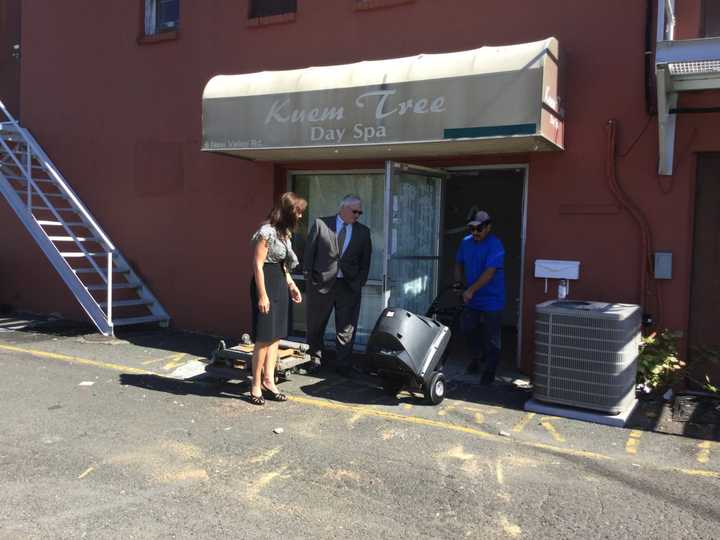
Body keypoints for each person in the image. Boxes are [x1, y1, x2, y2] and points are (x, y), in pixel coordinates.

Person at [303, 194, 372, 377]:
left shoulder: (363, 232)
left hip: (348, 286)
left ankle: (343, 365)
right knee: (316, 325)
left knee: (346, 329)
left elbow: (365, 262)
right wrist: (310, 281)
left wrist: (359, 283)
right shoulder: (321, 224)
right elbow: (309, 255)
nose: (357, 215)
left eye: (360, 212)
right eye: (355, 211)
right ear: (343, 208)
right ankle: (314, 360)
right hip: (322, 285)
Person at [249, 192, 307, 405]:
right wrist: (262, 295)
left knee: (275, 337)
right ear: (288, 210)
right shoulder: (266, 232)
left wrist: (292, 285)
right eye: (298, 212)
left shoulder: (284, 233)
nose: (300, 216)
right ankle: (255, 386)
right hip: (266, 284)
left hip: (280, 284)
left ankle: (269, 381)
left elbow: (283, 265)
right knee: (263, 337)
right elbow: (257, 265)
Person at [454, 210, 505, 385]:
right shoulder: (465, 243)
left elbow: (489, 272)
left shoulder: (495, 245)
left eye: (479, 229)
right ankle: (477, 358)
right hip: (472, 297)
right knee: (467, 328)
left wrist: (470, 290)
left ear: (488, 227)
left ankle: (490, 369)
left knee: (492, 336)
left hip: (492, 298)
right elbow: (459, 262)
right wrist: (458, 282)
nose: (475, 233)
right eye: (471, 229)